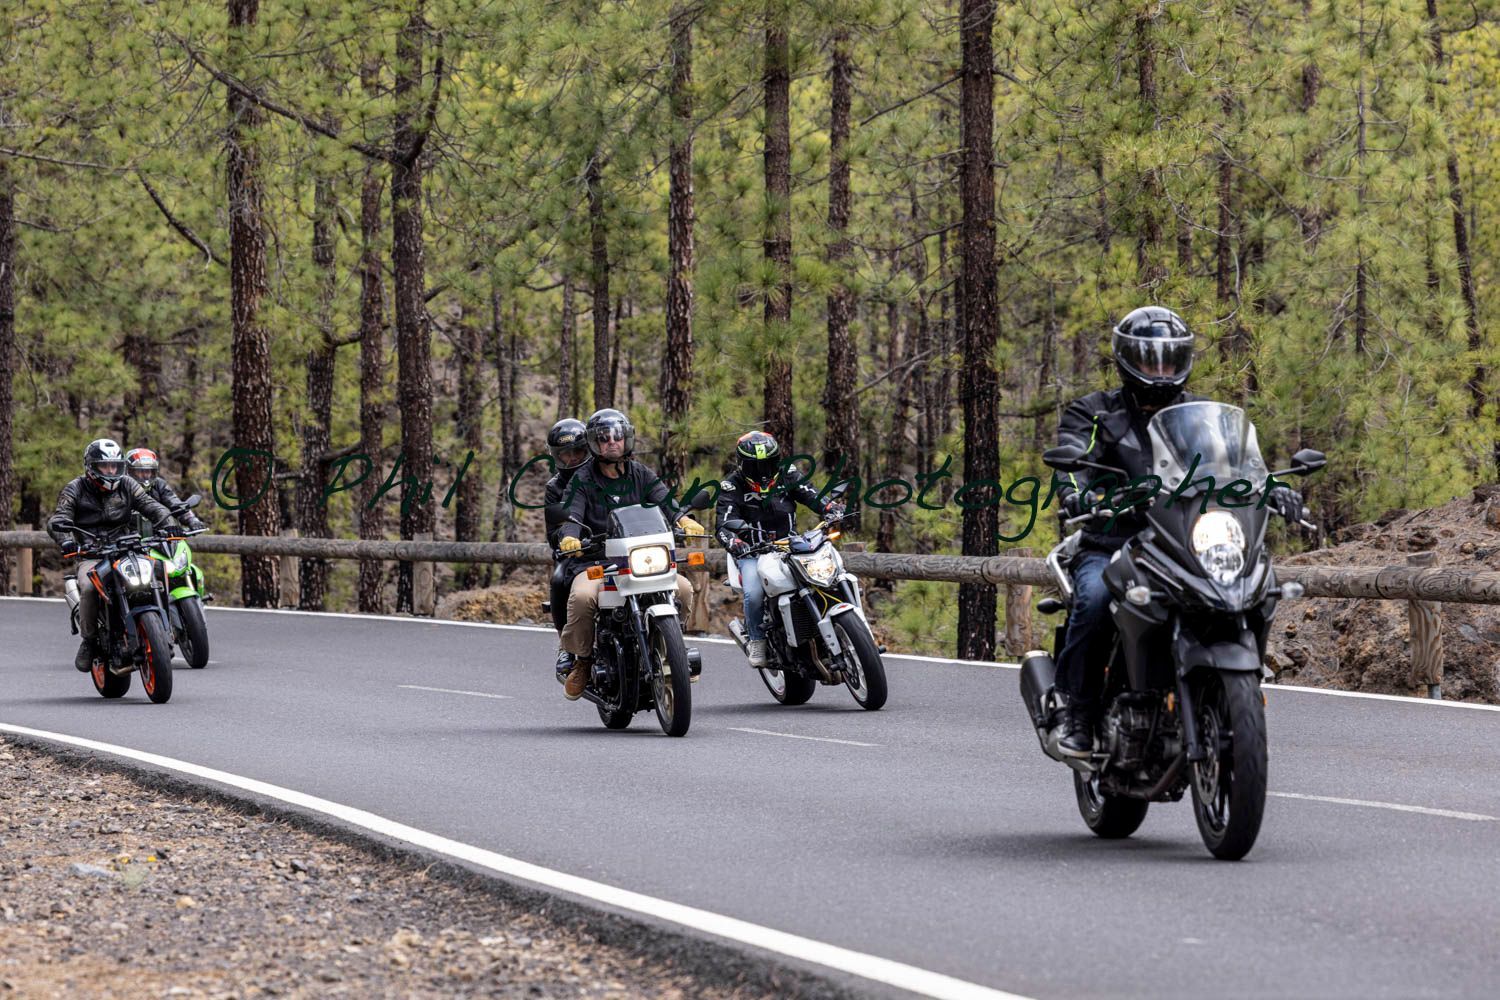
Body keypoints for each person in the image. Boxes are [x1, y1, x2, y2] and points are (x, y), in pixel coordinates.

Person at [1050, 306, 1303, 756]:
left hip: (1183, 540)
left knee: (1255, 588)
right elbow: (1071, 462)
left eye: (1170, 359)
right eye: (1150, 360)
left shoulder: (1202, 417)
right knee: (1095, 600)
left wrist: (1276, 488)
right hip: (1114, 539)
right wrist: (1078, 494)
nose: (1161, 370)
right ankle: (1078, 713)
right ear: (1127, 359)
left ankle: (1235, 686)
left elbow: (1243, 464)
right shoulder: (1094, 412)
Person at [555, 409, 706, 700]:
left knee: (684, 589)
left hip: (642, 559)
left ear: (627, 439)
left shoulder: (640, 473)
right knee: (584, 597)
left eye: (617, 437)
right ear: (593, 443)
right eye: (604, 438)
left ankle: (672, 645)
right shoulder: (582, 480)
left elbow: (664, 499)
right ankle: (583, 661)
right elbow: (571, 514)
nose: (612, 443)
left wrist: (683, 519)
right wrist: (571, 537)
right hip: (598, 562)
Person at [714, 431, 842, 667]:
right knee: (753, 594)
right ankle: (757, 640)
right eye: (756, 466)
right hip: (754, 551)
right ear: (742, 464)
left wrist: (829, 507)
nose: (763, 471)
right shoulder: (731, 486)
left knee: (834, 574)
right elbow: (722, 525)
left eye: (768, 463)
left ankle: (853, 626)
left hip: (792, 545)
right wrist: (736, 542)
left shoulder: (788, 474)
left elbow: (812, 495)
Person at [48, 439, 177, 672]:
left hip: (127, 546)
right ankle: (88, 641)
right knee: (88, 586)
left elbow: (151, 505)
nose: (110, 471)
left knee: (160, 571)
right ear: (91, 467)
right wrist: (67, 541)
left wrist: (168, 524)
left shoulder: (127, 484)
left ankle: (164, 630)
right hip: (92, 552)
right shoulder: (74, 489)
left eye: (115, 466)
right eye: (104, 466)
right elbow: (58, 519)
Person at [542, 418, 589, 677]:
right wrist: (568, 539)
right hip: (576, 550)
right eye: (564, 454)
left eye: (577, 452)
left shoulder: (601, 475)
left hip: (615, 544)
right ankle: (565, 644)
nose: (571, 459)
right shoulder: (554, 487)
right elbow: (552, 531)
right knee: (559, 579)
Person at [125, 447, 206, 532]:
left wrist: (192, 519)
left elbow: (174, 502)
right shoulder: (122, 486)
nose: (146, 476)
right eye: (141, 472)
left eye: (149, 472)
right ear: (130, 471)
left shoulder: (159, 484)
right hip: (127, 538)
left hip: (159, 536)